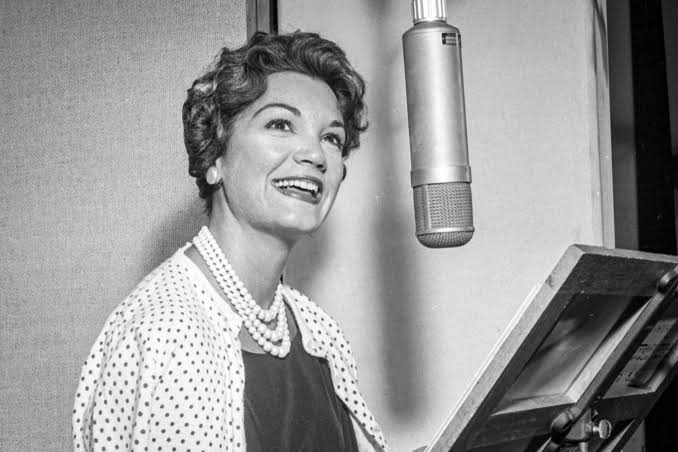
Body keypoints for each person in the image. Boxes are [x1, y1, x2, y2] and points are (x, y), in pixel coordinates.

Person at [72, 31, 387, 451]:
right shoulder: (168, 335)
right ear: (215, 156)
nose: (315, 155)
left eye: (331, 137)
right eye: (281, 124)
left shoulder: (317, 332)